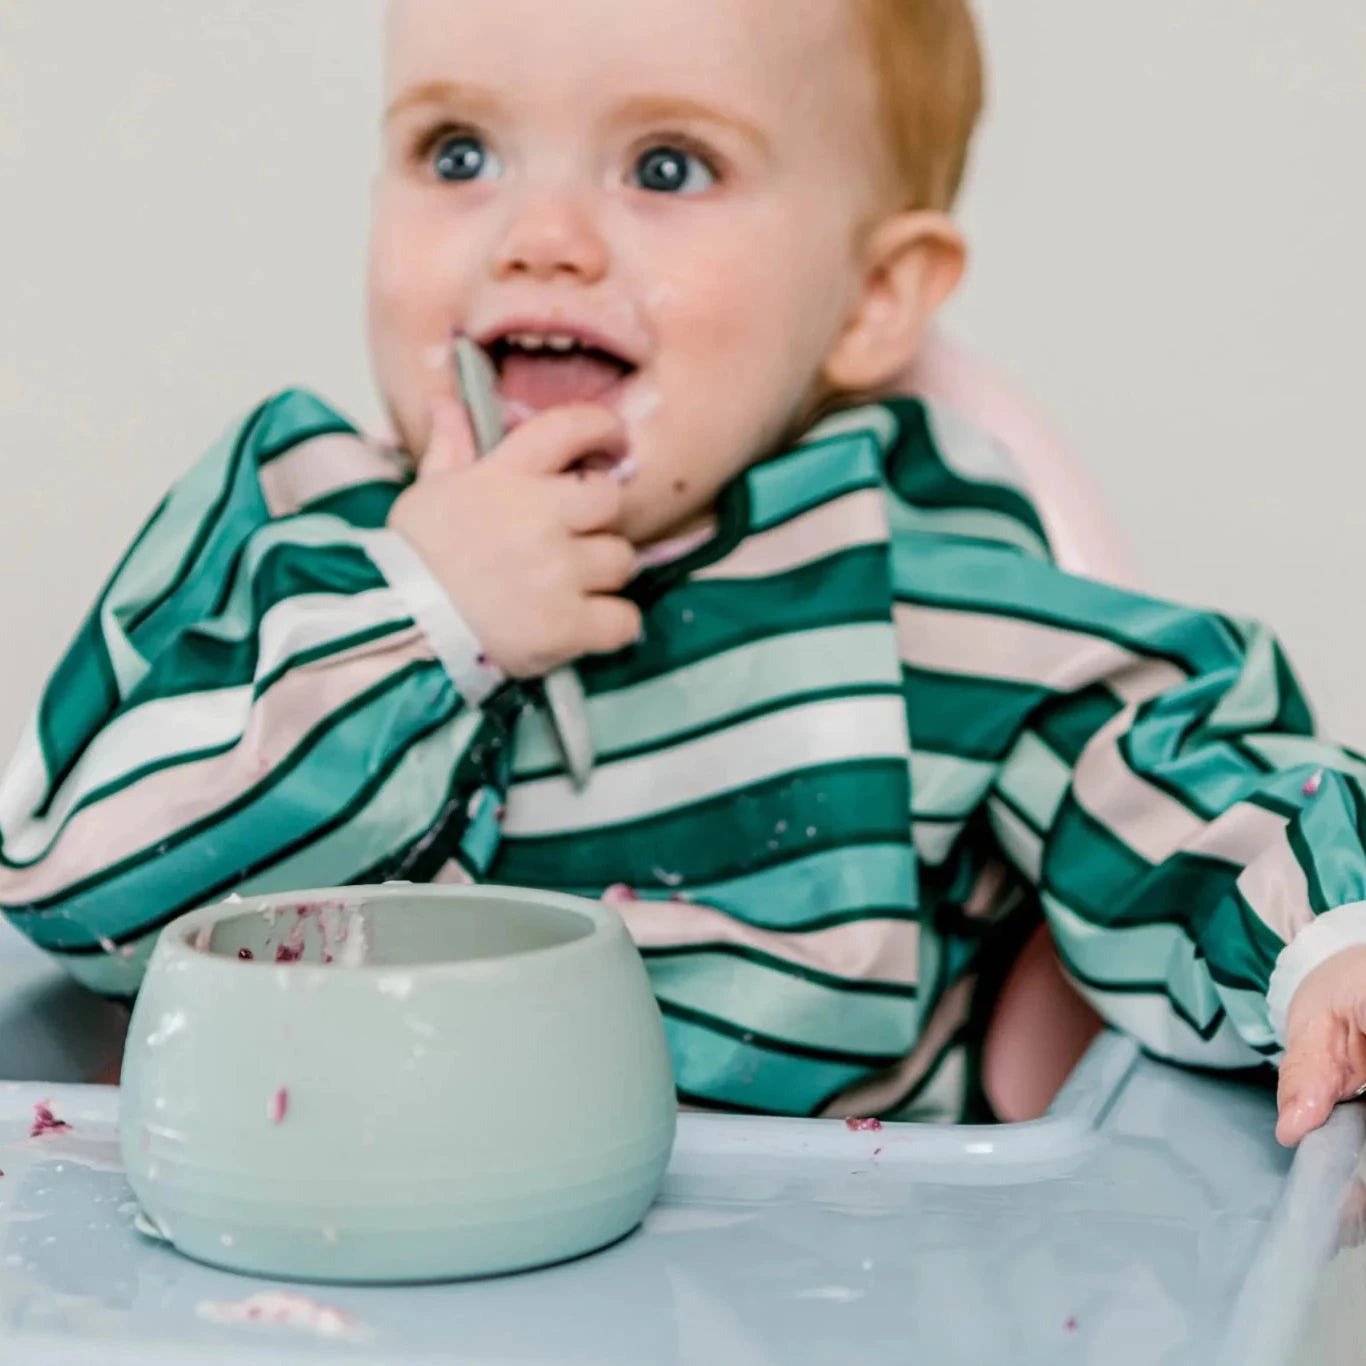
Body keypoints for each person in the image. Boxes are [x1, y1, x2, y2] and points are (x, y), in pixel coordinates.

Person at [2, 0, 1362, 1144]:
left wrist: (1325, 947)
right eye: (458, 151)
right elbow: (75, 889)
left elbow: (1171, 758)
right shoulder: (293, 544)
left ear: (871, 297)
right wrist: (428, 619)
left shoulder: (902, 588)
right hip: (334, 1281)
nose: (538, 233)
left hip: (824, 1299)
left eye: (665, 168)